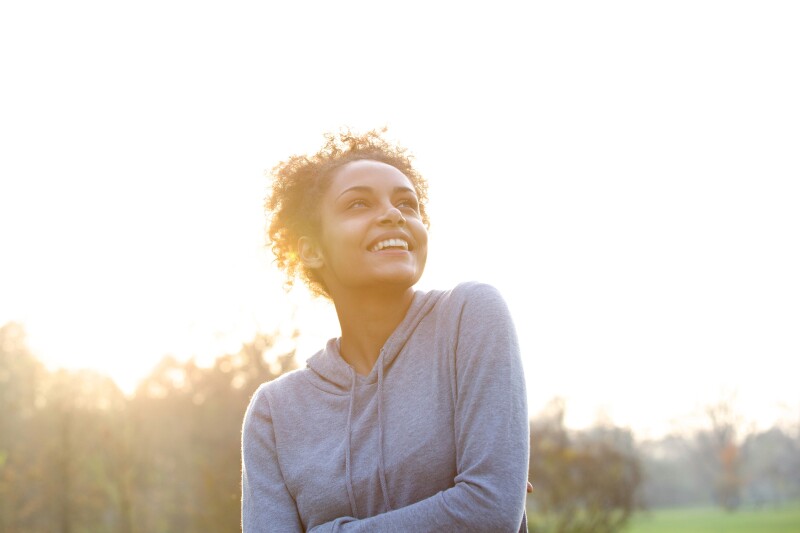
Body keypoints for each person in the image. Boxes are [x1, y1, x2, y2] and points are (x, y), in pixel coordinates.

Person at [241, 129, 530, 532]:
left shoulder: (470, 317)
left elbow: (490, 509)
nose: (394, 214)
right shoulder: (275, 412)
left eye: (407, 204)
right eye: (358, 203)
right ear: (310, 249)